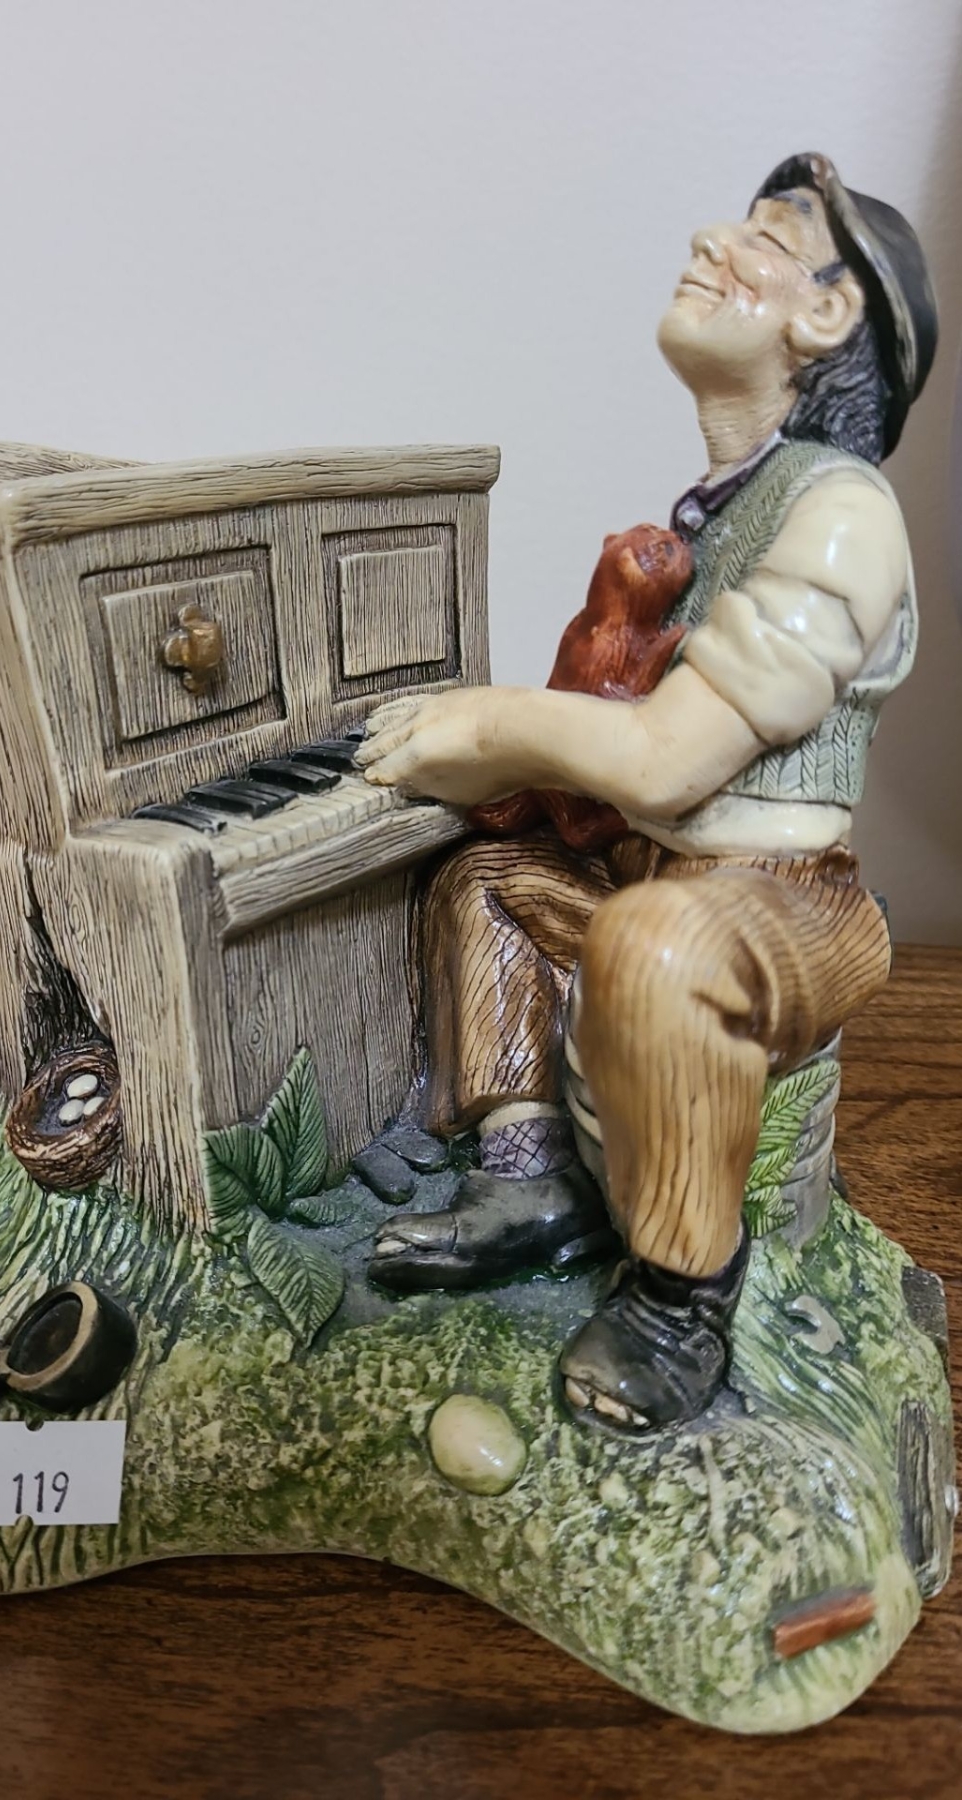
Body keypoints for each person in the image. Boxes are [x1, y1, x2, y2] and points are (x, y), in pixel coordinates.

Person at [357, 153, 937, 1432]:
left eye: (764, 237)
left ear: (826, 313)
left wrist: (495, 723)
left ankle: (681, 1289)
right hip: (665, 872)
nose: (709, 240)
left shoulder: (841, 514)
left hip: (786, 901)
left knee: (655, 944)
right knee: (492, 885)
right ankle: (529, 1176)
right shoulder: (726, 508)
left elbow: (669, 762)